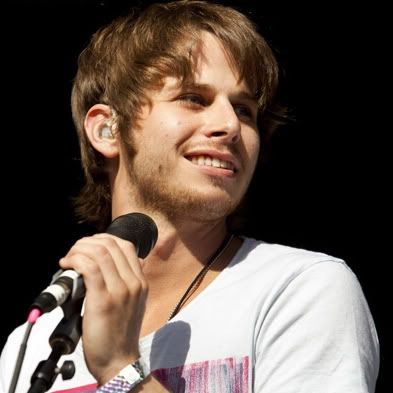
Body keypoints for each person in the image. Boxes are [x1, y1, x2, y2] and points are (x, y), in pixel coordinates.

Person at [0, 1, 379, 392]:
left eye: (245, 110)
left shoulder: (301, 289)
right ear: (108, 130)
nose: (230, 125)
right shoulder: (32, 344)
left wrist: (120, 368)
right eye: (194, 98)